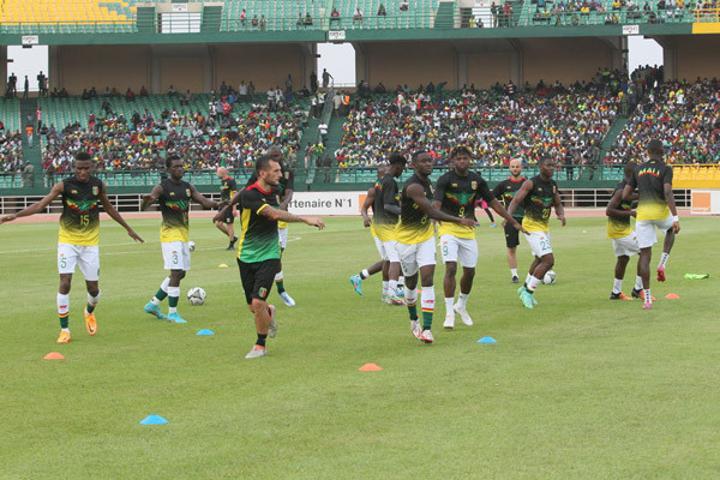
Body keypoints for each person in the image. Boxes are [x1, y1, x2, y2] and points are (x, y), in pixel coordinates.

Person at [0, 152, 144, 343]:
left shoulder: (98, 185)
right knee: (65, 282)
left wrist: (128, 228)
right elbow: (41, 204)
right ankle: (65, 330)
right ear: (74, 168)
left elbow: (109, 207)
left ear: (91, 167)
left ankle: (89, 311)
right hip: (67, 241)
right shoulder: (64, 186)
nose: (82, 172)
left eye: (86, 168)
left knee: (94, 290)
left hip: (90, 244)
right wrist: (16, 215)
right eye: (79, 168)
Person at [215, 155, 325, 359]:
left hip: (270, 254)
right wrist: (305, 219)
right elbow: (273, 214)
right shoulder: (250, 195)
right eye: (275, 171)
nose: (280, 174)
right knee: (254, 307)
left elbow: (283, 198)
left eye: (280, 170)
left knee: (257, 303)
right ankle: (270, 312)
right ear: (262, 173)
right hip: (246, 255)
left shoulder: (275, 190)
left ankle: (260, 345)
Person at [433, 146, 523, 329]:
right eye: (458, 159)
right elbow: (435, 206)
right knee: (451, 268)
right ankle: (449, 313)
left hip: (468, 232)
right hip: (449, 230)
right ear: (452, 161)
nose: (462, 161)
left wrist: (512, 220)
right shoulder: (445, 180)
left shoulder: (476, 180)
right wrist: (442, 220)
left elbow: (494, 203)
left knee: (470, 271)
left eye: (465, 158)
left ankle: (461, 305)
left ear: (470, 159)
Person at [395, 151, 476, 344]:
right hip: (406, 239)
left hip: (425, 237)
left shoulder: (430, 183)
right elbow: (431, 210)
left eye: (430, 160)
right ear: (414, 165)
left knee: (428, 277)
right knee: (411, 283)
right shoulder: (413, 186)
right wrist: (459, 220)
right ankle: (414, 318)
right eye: (423, 161)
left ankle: (428, 329)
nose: (429, 164)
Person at [142, 155, 222, 324]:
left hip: (183, 235)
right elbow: (147, 204)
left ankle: (153, 304)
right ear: (169, 169)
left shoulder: (188, 187)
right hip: (170, 236)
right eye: (176, 166)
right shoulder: (162, 187)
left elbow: (203, 201)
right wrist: (146, 202)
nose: (180, 169)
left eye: (181, 166)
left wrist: (219, 204)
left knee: (181, 273)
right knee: (176, 273)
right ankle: (172, 313)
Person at [622, 139, 680, 309]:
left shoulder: (638, 169)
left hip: (643, 215)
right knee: (671, 230)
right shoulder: (665, 168)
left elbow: (625, 195)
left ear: (647, 152)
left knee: (645, 255)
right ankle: (662, 263)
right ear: (662, 152)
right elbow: (667, 191)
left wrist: (641, 196)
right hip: (660, 212)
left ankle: (647, 299)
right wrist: (675, 217)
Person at [507, 157, 566, 309]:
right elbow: (515, 201)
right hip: (531, 226)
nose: (551, 168)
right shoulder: (531, 183)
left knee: (540, 259)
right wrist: (510, 218)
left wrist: (561, 214)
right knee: (548, 260)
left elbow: (557, 203)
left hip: (544, 227)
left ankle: (524, 287)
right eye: (548, 165)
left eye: (553, 165)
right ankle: (528, 291)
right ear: (540, 167)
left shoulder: (552, 185)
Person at [245, 147, 297, 307]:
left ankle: (279, 290)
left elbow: (289, 192)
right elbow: (246, 191)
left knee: (276, 257)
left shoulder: (287, 172)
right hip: (262, 217)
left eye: (278, 156)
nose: (276, 159)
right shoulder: (261, 172)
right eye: (272, 156)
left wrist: (283, 204)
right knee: (268, 257)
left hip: (280, 218)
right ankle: (274, 291)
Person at [350, 165, 390, 299]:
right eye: (385, 174)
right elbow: (363, 208)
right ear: (379, 175)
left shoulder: (391, 187)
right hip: (379, 227)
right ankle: (386, 293)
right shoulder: (374, 190)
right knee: (389, 259)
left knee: (391, 259)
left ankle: (360, 277)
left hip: (390, 227)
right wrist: (366, 217)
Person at [606, 162, 643, 301]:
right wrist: (631, 213)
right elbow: (609, 210)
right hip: (619, 231)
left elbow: (626, 204)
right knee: (644, 252)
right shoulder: (621, 190)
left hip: (618, 230)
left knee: (623, 258)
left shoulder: (628, 189)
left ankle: (616, 292)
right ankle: (638, 289)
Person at [372, 153, 406, 304]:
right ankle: (392, 295)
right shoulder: (390, 182)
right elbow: (388, 205)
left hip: (378, 224)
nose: (402, 171)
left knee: (387, 259)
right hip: (387, 225)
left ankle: (385, 292)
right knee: (395, 259)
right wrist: (406, 213)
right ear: (397, 165)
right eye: (402, 168)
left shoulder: (381, 181)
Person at [492, 158, 527, 283]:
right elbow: (491, 199)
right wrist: (503, 214)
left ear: (521, 168)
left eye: (517, 166)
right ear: (509, 168)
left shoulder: (528, 183)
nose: (515, 169)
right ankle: (514, 275)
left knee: (535, 244)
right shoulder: (503, 185)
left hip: (527, 219)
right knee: (511, 248)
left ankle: (540, 272)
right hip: (510, 220)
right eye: (513, 166)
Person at [215, 167, 238, 250]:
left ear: (222, 172)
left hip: (229, 205)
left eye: (217, 172)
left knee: (229, 224)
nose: (216, 174)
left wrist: (234, 208)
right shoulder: (222, 181)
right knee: (218, 224)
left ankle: (231, 245)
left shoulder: (231, 181)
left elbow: (234, 194)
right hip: (222, 205)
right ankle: (233, 237)